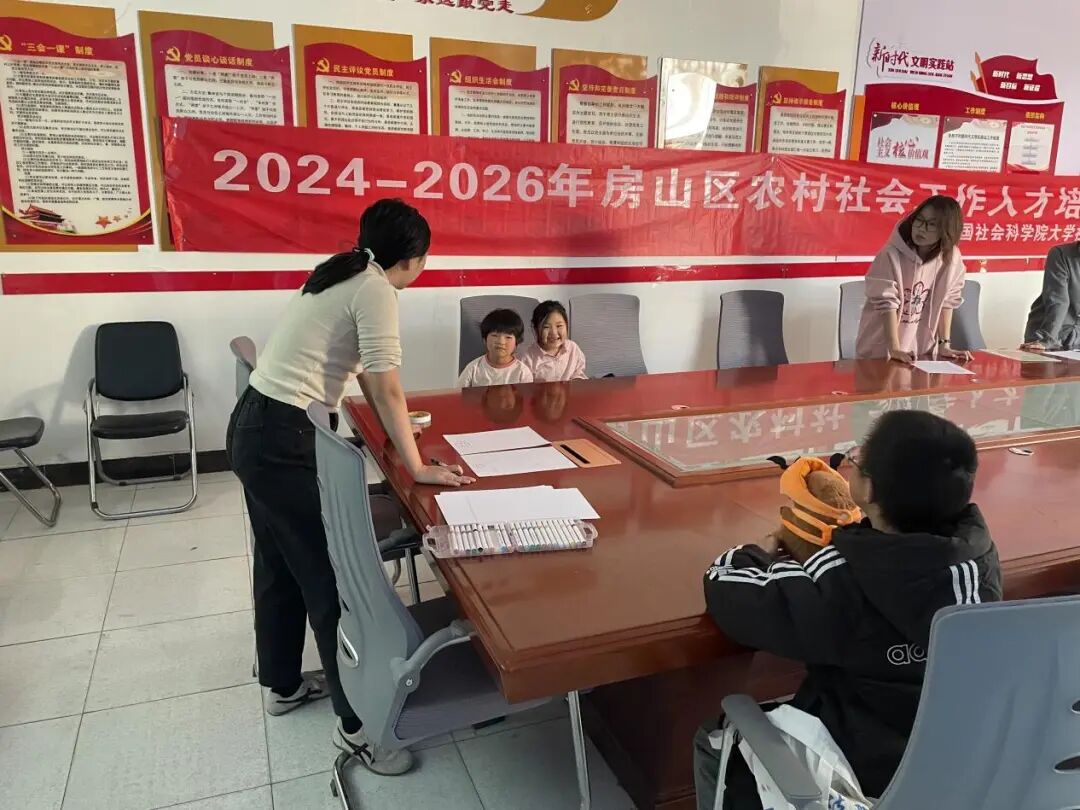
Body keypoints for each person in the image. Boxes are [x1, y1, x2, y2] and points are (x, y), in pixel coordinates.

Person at [226, 199, 473, 777]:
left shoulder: (342, 270)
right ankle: (357, 727)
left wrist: (399, 432)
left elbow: (362, 371)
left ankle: (284, 685)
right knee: (329, 582)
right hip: (281, 441)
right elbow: (385, 387)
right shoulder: (376, 289)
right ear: (413, 259)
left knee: (279, 565)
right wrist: (416, 465)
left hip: (255, 427)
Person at [693, 410, 1001, 809]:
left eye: (856, 460)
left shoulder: (843, 579)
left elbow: (730, 594)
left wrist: (752, 554)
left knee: (712, 740)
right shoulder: (980, 562)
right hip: (960, 765)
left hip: (858, 772)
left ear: (867, 490)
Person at [856, 196, 972, 364]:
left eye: (931, 224)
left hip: (923, 351)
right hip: (881, 351)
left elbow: (948, 301)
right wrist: (894, 349)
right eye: (919, 220)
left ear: (946, 230)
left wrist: (944, 345)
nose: (921, 229)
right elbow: (887, 303)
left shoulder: (952, 258)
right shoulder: (890, 254)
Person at [1021, 241, 1080, 352]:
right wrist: (1047, 339)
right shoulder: (1061, 254)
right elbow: (1058, 300)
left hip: (1076, 339)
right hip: (1047, 331)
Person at [457, 309, 534, 387]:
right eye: (494, 335)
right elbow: (458, 393)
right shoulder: (473, 368)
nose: (501, 342)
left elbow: (526, 394)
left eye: (508, 337)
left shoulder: (523, 372)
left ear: (516, 342)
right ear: (484, 340)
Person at [520, 300, 588, 382]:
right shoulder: (527, 357)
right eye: (546, 327)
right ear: (536, 329)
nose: (554, 333)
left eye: (559, 326)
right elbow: (525, 386)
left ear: (566, 325)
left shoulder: (573, 348)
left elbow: (578, 373)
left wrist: (577, 380)